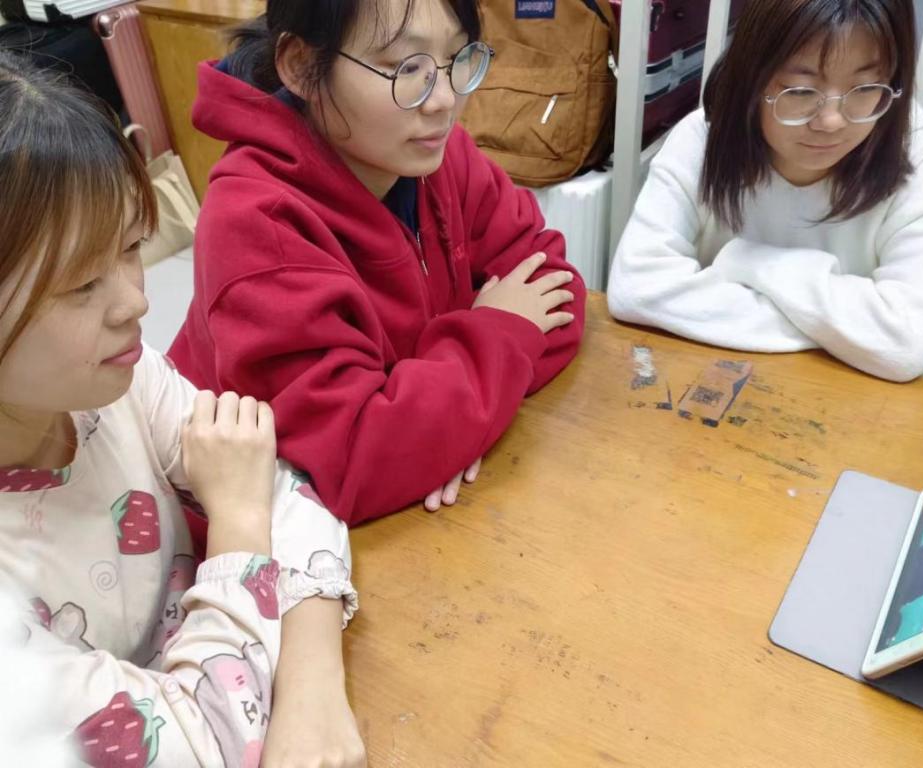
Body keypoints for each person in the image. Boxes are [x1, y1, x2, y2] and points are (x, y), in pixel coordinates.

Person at [0, 53, 364, 767]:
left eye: (131, 247)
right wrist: (239, 523)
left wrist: (314, 687)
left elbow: (290, 497)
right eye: (81, 285)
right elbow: (197, 747)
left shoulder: (116, 384)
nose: (136, 301)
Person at [168, 0, 586, 525]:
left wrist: (447, 431)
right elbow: (353, 462)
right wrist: (472, 390)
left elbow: (556, 286)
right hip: (267, 538)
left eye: (457, 57)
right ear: (300, 65)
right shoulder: (258, 225)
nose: (444, 100)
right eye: (406, 67)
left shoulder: (436, 155)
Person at [607, 0, 923, 382]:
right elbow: (636, 289)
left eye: (864, 87)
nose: (831, 121)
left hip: (847, 390)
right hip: (709, 377)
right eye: (800, 91)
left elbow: (906, 342)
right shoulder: (702, 140)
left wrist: (749, 261)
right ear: (751, 78)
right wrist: (848, 334)